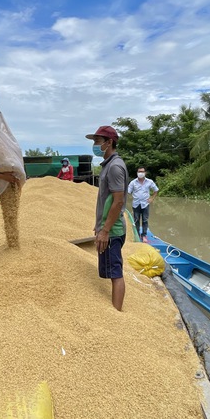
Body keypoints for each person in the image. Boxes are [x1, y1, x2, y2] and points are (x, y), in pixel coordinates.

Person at [86, 125, 128, 311]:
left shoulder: (115, 167)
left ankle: (116, 315)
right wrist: (99, 225)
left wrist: (105, 230)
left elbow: (118, 202)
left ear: (109, 142)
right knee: (111, 270)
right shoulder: (108, 165)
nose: (95, 145)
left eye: (97, 141)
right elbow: (107, 199)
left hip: (113, 231)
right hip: (107, 228)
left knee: (115, 273)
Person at [128, 166, 159, 243]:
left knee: (145, 220)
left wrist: (152, 198)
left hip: (145, 204)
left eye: (142, 172)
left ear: (145, 173)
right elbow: (128, 192)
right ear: (137, 173)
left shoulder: (150, 182)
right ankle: (137, 235)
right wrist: (131, 197)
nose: (140, 173)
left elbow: (156, 190)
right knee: (136, 220)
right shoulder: (133, 182)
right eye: (139, 172)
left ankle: (144, 235)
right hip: (136, 204)